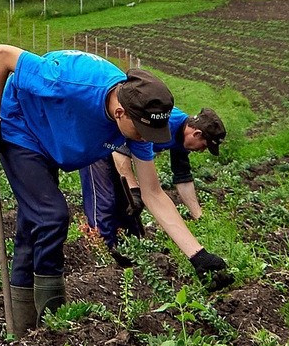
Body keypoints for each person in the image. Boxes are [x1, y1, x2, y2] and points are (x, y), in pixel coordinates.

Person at [0, 45, 231, 333]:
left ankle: (22, 331)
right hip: (21, 128)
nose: (145, 139)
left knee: (31, 226)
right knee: (51, 216)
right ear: (120, 113)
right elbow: (2, 55)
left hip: (55, 137)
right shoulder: (68, 80)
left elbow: (154, 193)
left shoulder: (139, 119)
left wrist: (198, 255)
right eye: (141, 132)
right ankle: (52, 322)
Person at [80, 105, 225, 258]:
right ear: (196, 134)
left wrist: (199, 216)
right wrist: (135, 190)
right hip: (101, 142)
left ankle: (128, 253)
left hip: (122, 150)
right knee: (105, 202)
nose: (201, 151)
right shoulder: (162, 125)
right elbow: (120, 150)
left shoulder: (184, 136)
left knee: (128, 210)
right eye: (204, 146)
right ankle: (100, 255)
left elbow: (183, 179)